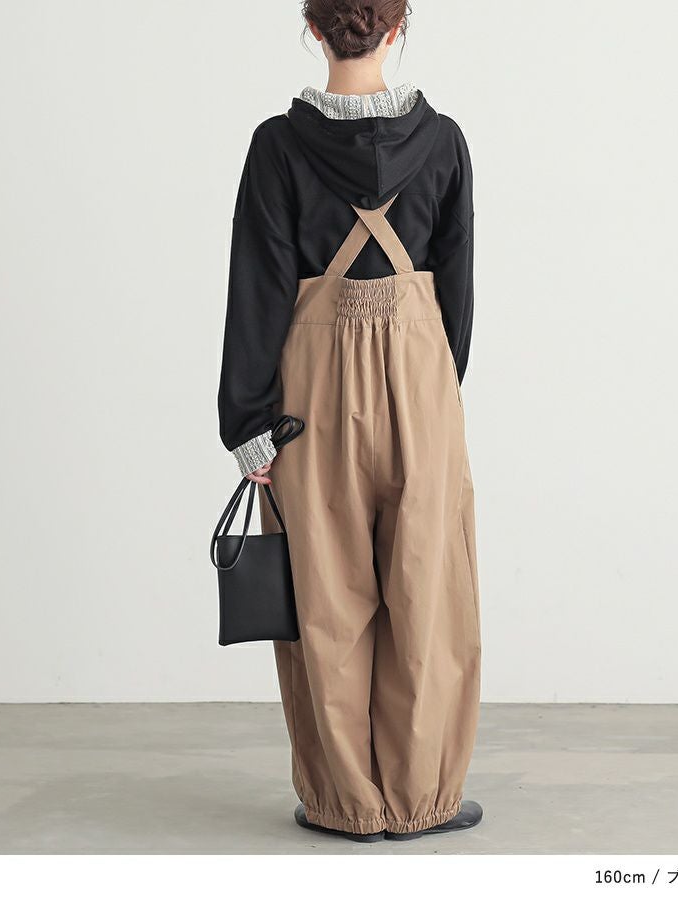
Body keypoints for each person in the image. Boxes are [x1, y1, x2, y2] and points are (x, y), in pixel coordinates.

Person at [217, 0, 482, 843]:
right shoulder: (443, 142)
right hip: (420, 391)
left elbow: (258, 286)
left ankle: (345, 804)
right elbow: (457, 293)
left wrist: (247, 423)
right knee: (428, 593)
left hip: (310, 402)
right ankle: (420, 798)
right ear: (397, 30)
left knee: (325, 597)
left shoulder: (276, 147)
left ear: (313, 29)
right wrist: (431, 391)